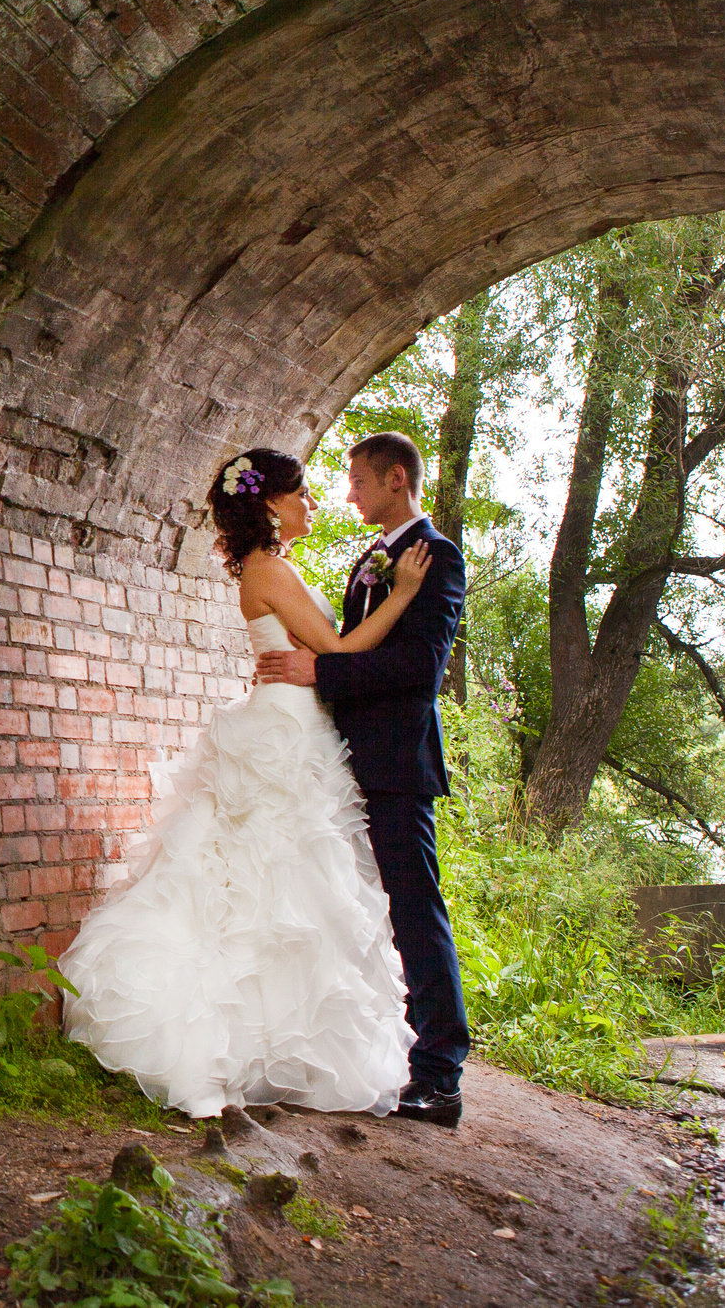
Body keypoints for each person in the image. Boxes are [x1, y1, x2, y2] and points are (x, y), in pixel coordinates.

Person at [57, 445, 434, 1118]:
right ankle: (249, 1043)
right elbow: (342, 650)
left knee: (278, 887)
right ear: (269, 503)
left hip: (293, 725)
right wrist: (403, 592)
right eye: (304, 494)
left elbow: (314, 651)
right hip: (284, 737)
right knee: (272, 885)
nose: (315, 503)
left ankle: (277, 1044)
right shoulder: (269, 569)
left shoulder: (274, 567)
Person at [256, 430, 471, 1129]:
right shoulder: (371, 559)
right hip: (348, 758)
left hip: (397, 763)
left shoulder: (436, 557)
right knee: (360, 912)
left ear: (397, 480)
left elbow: (420, 668)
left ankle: (440, 1075)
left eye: (358, 480)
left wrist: (322, 671)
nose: (348, 493)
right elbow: (355, 639)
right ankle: (378, 1050)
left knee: (415, 910)